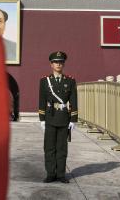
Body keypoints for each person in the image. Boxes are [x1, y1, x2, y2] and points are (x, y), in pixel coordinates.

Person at [38, 51, 78, 183]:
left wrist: (73, 120)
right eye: (56, 62)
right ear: (51, 64)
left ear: (64, 64)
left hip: (64, 118)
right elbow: (42, 100)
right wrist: (42, 119)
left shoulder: (70, 81)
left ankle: (61, 174)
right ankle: (50, 173)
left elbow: (73, 100)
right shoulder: (44, 81)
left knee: (62, 148)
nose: (58, 64)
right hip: (50, 117)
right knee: (49, 147)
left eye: (61, 62)